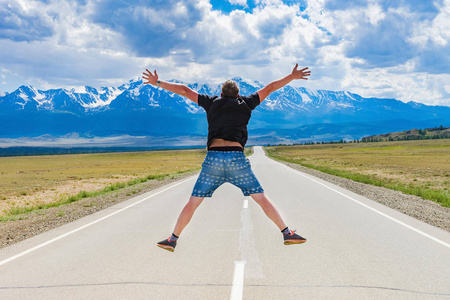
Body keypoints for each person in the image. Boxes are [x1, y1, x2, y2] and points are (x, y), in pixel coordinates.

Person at [142, 64, 311, 252]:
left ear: (221, 94)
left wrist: (157, 82)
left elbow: (184, 90)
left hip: (213, 159)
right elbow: (270, 88)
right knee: (261, 198)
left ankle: (172, 239)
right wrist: (292, 76)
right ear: (238, 95)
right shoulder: (246, 103)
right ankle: (287, 233)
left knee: (193, 201)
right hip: (236, 160)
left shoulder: (211, 102)